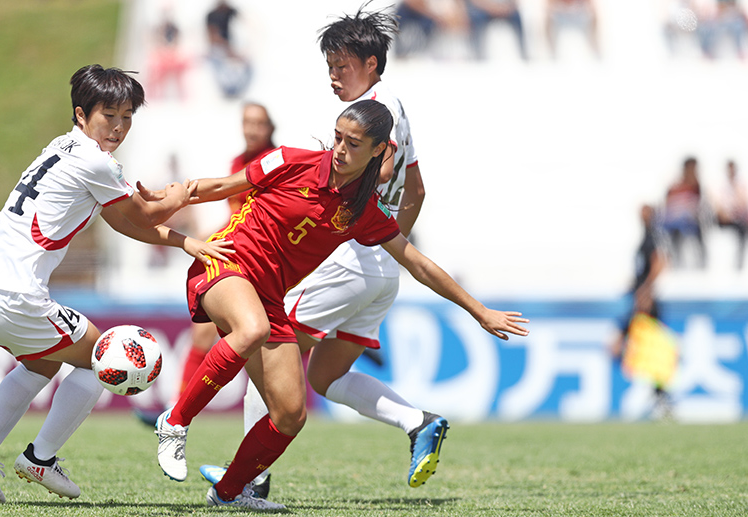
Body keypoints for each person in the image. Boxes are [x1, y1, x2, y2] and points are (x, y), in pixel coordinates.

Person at [153, 99, 530, 510]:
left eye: (353, 143)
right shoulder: (291, 160)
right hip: (227, 263)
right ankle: (174, 422)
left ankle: (230, 493)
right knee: (252, 329)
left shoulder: (365, 211)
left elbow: (417, 264)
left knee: (290, 415)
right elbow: (225, 186)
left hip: (268, 298)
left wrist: (480, 311)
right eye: (337, 138)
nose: (339, 149)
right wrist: (175, 197)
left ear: (378, 150)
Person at [0, 64, 232, 504]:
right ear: (81, 114)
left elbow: (121, 221)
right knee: (104, 357)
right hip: (15, 294)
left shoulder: (62, 147)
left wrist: (184, 242)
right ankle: (40, 459)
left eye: (127, 117)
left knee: (41, 364)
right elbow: (146, 213)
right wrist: (182, 193)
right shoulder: (95, 160)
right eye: (109, 116)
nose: (119, 127)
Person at [200, 6, 442, 499]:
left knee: (262, 352)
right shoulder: (391, 106)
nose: (333, 76)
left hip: (348, 262)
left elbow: (389, 167)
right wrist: (391, 243)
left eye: (342, 65)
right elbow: (417, 189)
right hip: (379, 270)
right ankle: (419, 422)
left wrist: (354, 221)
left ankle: (250, 481)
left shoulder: (376, 116)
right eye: (329, 66)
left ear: (372, 63)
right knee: (328, 376)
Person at [134, 101, 277, 426]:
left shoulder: (274, 163)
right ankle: (174, 410)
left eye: (258, 123)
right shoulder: (239, 162)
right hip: (236, 256)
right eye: (246, 122)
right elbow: (237, 217)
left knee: (269, 344)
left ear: (270, 128)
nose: (251, 129)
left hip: (266, 262)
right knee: (203, 334)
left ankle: (179, 412)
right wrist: (207, 238)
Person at [612, 205, 677, 420]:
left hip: (645, 302)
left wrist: (646, 289)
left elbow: (659, 261)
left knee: (648, 349)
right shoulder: (646, 237)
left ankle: (661, 398)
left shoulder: (653, 237)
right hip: (640, 297)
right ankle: (659, 397)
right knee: (644, 350)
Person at [662, 156, 707, 268]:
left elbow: (699, 206)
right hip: (675, 222)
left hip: (692, 221)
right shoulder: (675, 186)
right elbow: (668, 206)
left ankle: (701, 264)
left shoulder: (697, 187)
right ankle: (676, 264)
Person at [715, 160, 748, 270]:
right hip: (724, 220)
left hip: (738, 218)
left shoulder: (740, 186)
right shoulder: (720, 186)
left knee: (744, 230)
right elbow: (718, 206)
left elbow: (743, 203)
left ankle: (739, 264)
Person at [464, 0, 528, 60]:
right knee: (476, 18)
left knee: (516, 16)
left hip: (505, 9)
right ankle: (477, 55)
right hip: (484, 9)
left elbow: (515, 2)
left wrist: (505, 9)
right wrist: (493, 9)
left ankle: (524, 53)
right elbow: (476, 2)